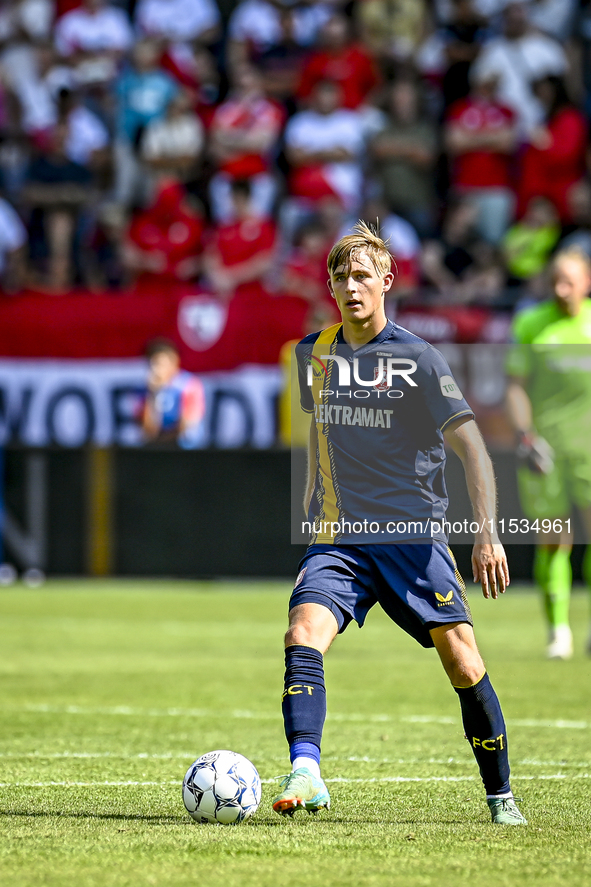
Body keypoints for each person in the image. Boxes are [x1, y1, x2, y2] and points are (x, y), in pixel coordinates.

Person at [272, 221, 527, 826]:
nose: (352, 286)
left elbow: (473, 449)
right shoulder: (315, 355)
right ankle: (306, 771)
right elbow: (318, 432)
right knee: (301, 633)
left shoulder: (419, 359)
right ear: (330, 288)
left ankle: (500, 796)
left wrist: (486, 534)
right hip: (340, 538)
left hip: (414, 538)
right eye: (341, 277)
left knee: (463, 661)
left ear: (387, 281)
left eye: (363, 275)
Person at [505, 247, 591, 659]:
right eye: (555, 280)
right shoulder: (530, 323)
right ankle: (559, 632)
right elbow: (516, 384)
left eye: (569, 282)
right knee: (554, 541)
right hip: (547, 451)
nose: (561, 289)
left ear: (586, 282)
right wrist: (525, 435)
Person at [142, 338, 205, 446]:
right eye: (152, 364)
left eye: (159, 364)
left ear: (174, 362)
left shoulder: (189, 385)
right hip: (157, 447)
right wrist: (152, 394)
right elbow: (147, 431)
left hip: (186, 449)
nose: (155, 369)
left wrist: (162, 441)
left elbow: (187, 426)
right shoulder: (147, 388)